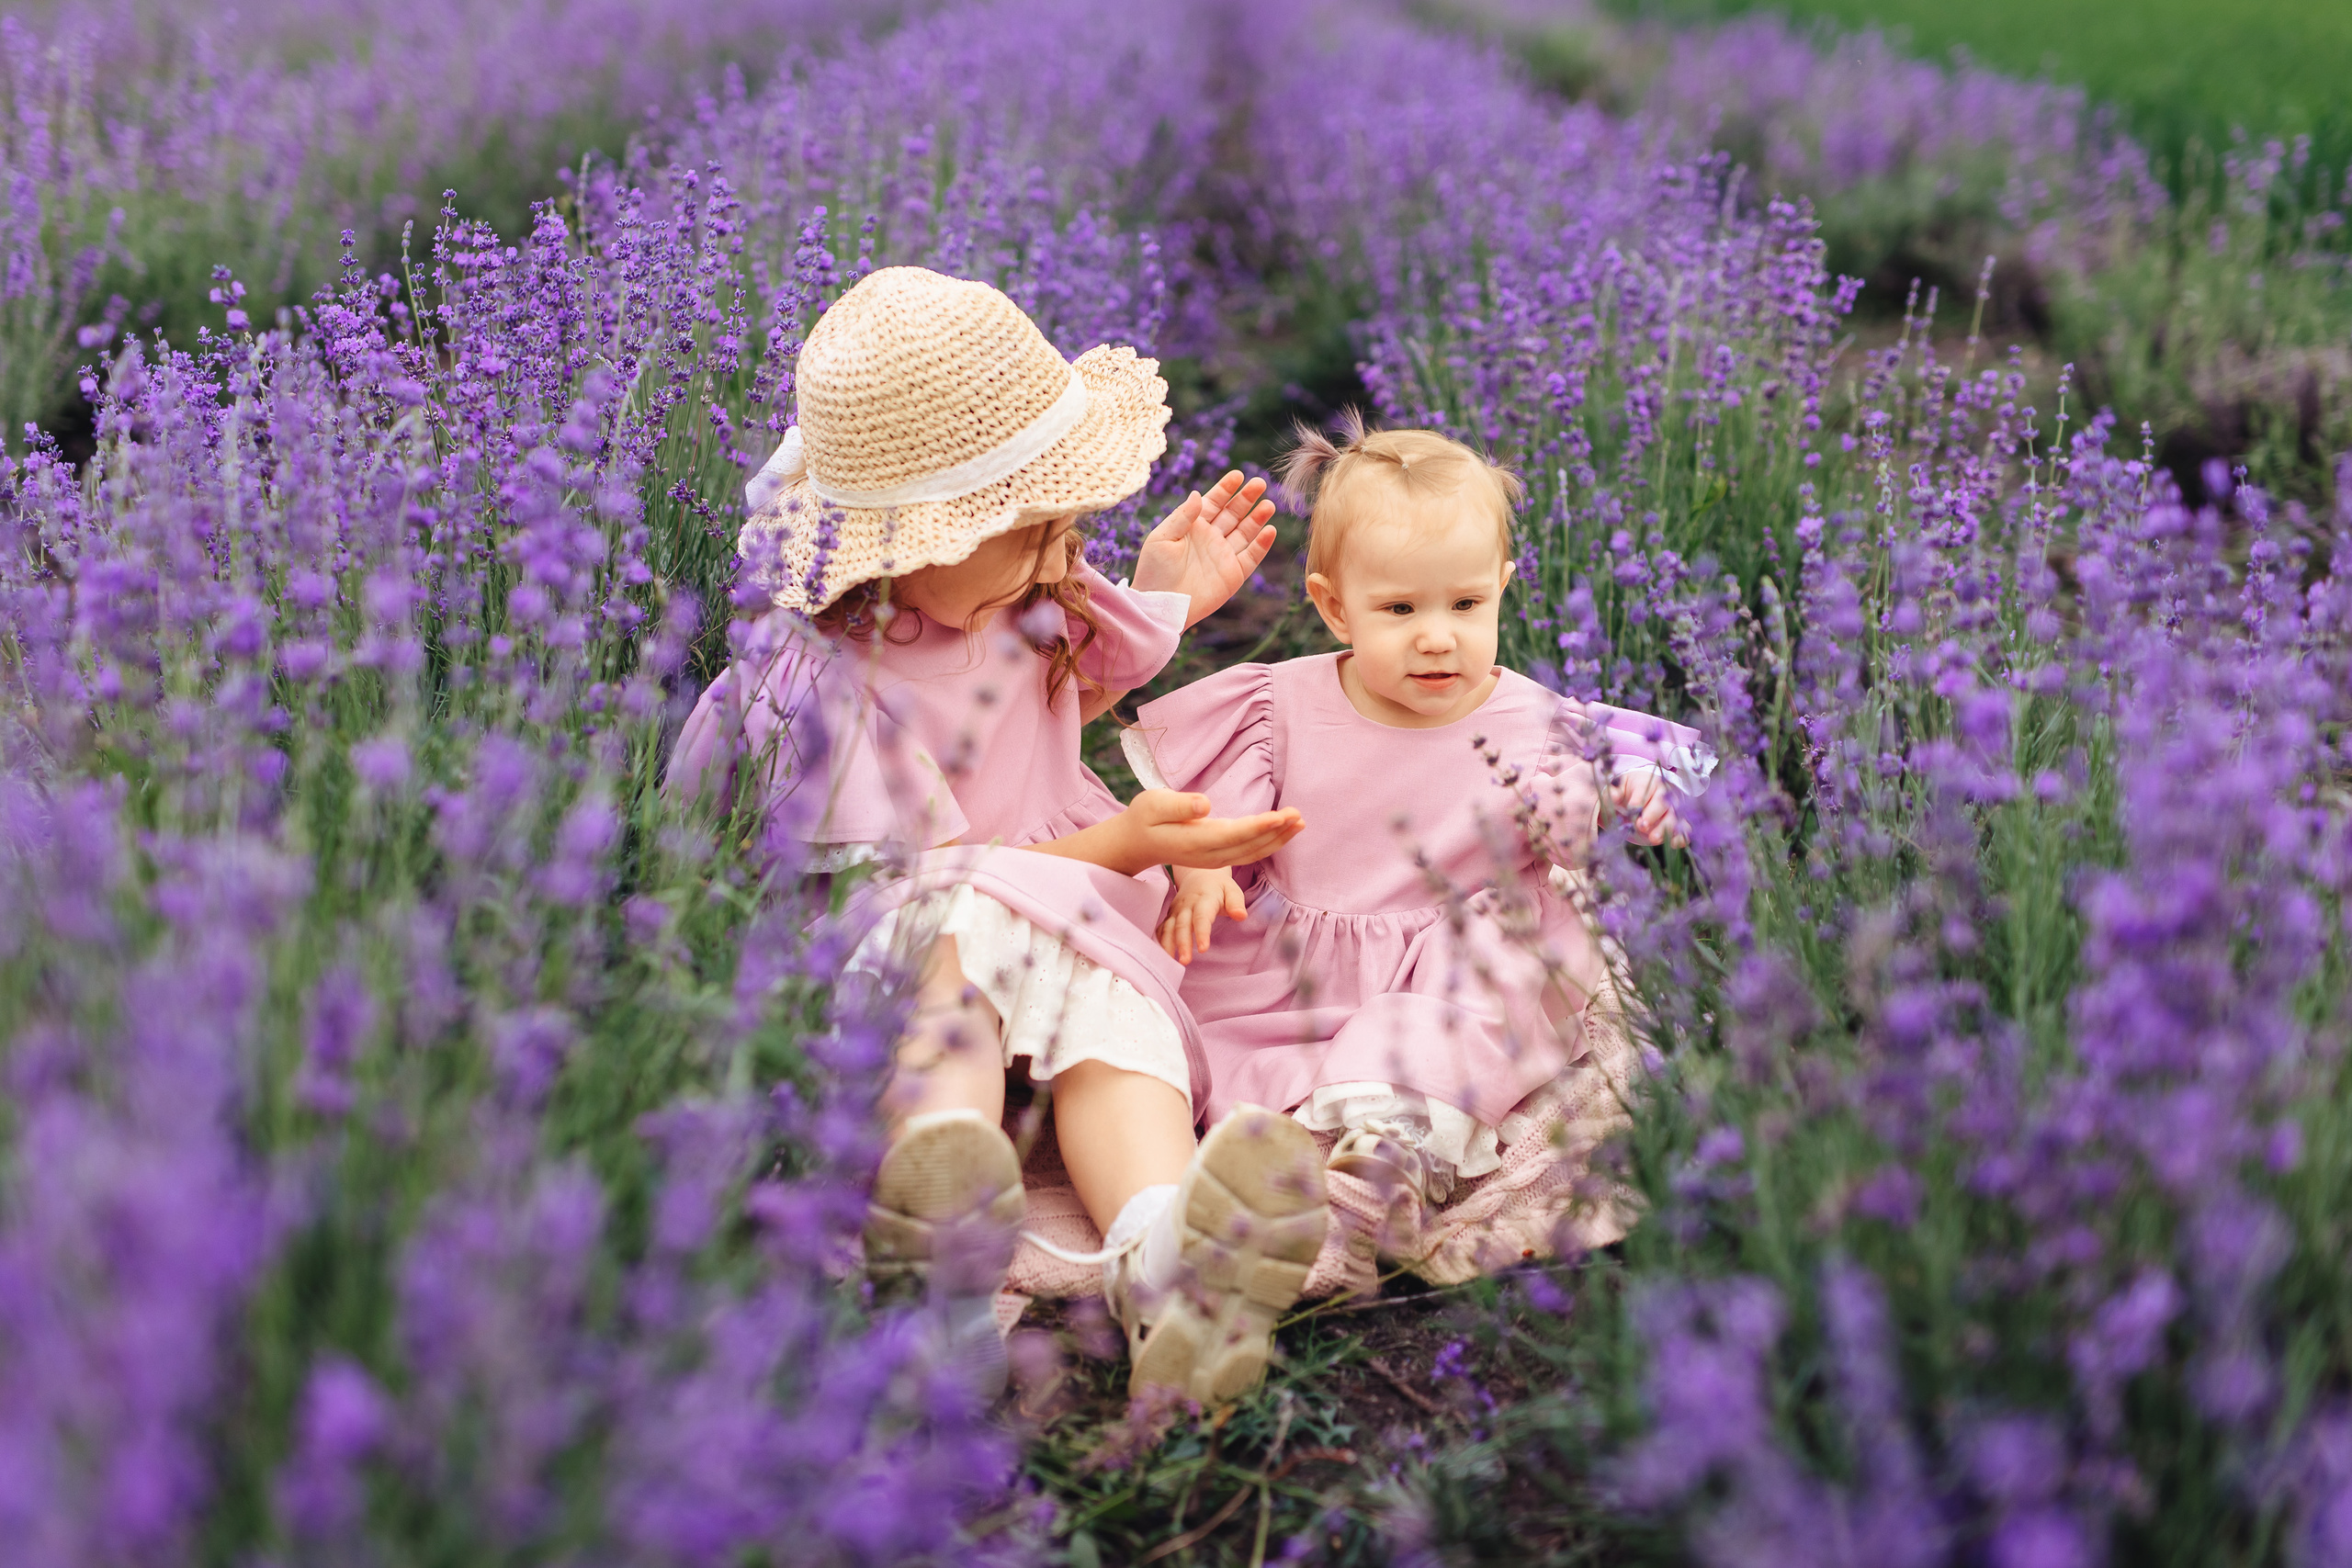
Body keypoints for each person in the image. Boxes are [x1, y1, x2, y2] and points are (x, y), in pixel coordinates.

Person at [669, 266, 1329, 1404]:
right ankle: (947, 1264)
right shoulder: (822, 683)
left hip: (1062, 902)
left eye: (1073, 526)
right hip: (900, 934)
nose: (1067, 553)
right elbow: (917, 884)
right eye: (1039, 529)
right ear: (911, 547)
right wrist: (1126, 846)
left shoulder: (1027, 593)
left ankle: (1163, 1251)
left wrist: (1168, 594)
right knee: (950, 985)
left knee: (1116, 1029)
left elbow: (1073, 685)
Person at [1122, 413, 1712, 1252]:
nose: (1438, 635)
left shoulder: (1539, 724)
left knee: (1443, 1025)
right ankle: (1280, 1161)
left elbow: (1687, 771)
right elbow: (1211, 815)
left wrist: (1649, 790)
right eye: (1398, 607)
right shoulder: (1276, 707)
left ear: (1502, 585)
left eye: (1467, 603)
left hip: (1455, 969)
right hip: (1289, 966)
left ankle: (1381, 1167)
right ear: (1333, 608)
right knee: (1211, 1062)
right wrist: (1203, 872)